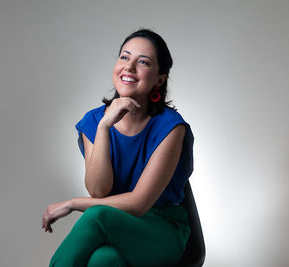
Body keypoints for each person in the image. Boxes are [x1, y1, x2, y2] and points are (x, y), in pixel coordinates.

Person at [42, 29, 194, 267]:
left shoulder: (171, 127)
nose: (129, 68)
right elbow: (99, 190)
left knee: (97, 215)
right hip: (114, 227)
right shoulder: (93, 122)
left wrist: (72, 204)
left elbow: (138, 203)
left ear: (159, 79)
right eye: (124, 57)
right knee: (104, 260)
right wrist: (104, 127)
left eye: (143, 62)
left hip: (162, 231)